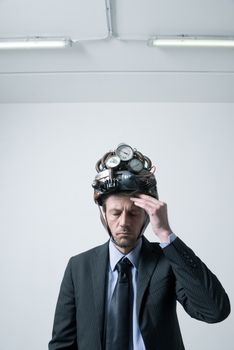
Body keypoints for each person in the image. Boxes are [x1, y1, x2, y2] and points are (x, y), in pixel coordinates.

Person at [48, 143, 230, 350]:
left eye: (133, 213)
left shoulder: (167, 261)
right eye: (116, 213)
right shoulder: (78, 267)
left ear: (146, 215)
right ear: (104, 215)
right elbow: (62, 343)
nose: (124, 222)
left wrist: (165, 234)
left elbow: (215, 311)